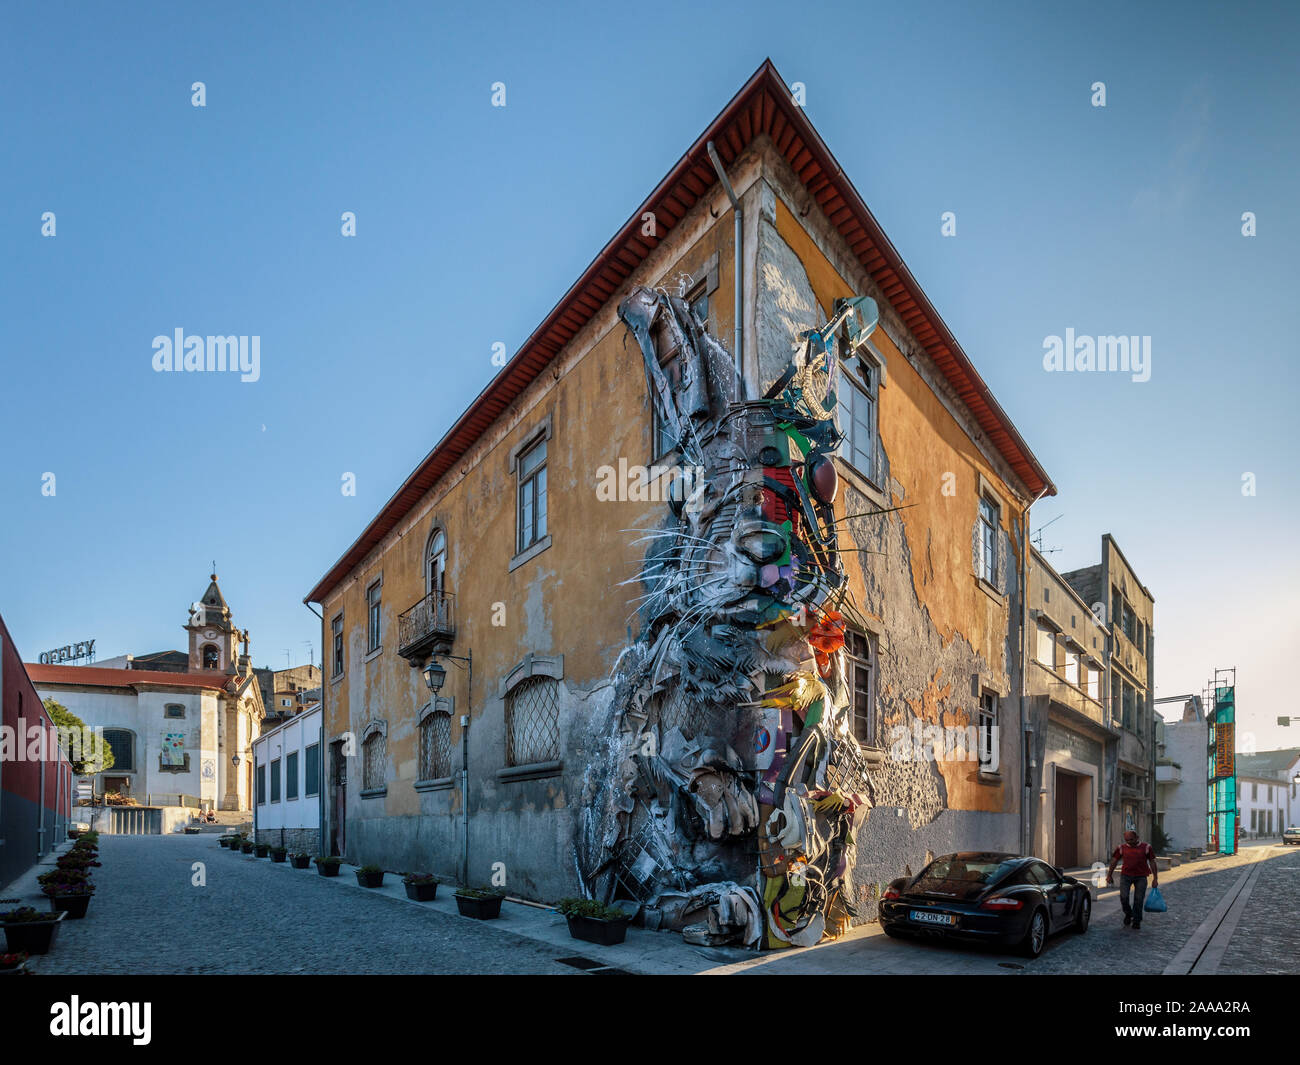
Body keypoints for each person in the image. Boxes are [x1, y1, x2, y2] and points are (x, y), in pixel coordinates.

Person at [1106, 829, 1159, 930]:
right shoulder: (1121, 848)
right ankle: (1129, 914)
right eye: (1126, 840)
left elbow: (1152, 862)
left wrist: (1155, 878)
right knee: (1124, 897)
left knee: (1138, 899)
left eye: (1131, 839)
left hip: (1141, 876)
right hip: (1126, 876)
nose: (1129, 842)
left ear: (1137, 838)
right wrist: (1109, 875)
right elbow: (1114, 861)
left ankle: (1137, 920)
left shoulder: (1146, 847)